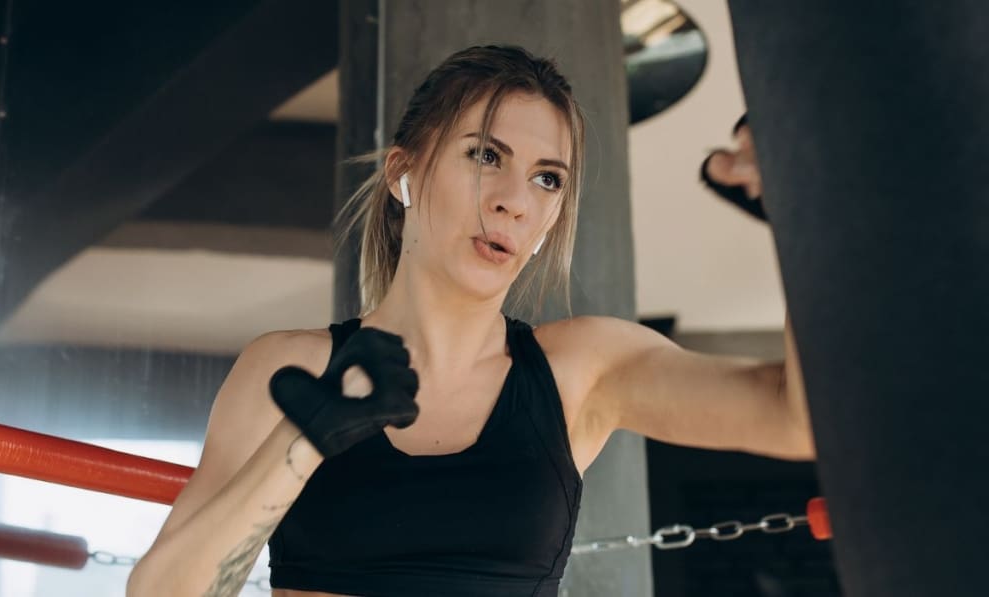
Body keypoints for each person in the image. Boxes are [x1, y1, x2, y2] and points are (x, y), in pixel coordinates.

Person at [126, 45, 813, 597]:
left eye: (548, 178)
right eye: (486, 155)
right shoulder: (293, 371)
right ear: (404, 173)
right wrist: (301, 444)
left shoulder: (582, 370)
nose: (516, 200)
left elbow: (798, 418)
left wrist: (803, 209)